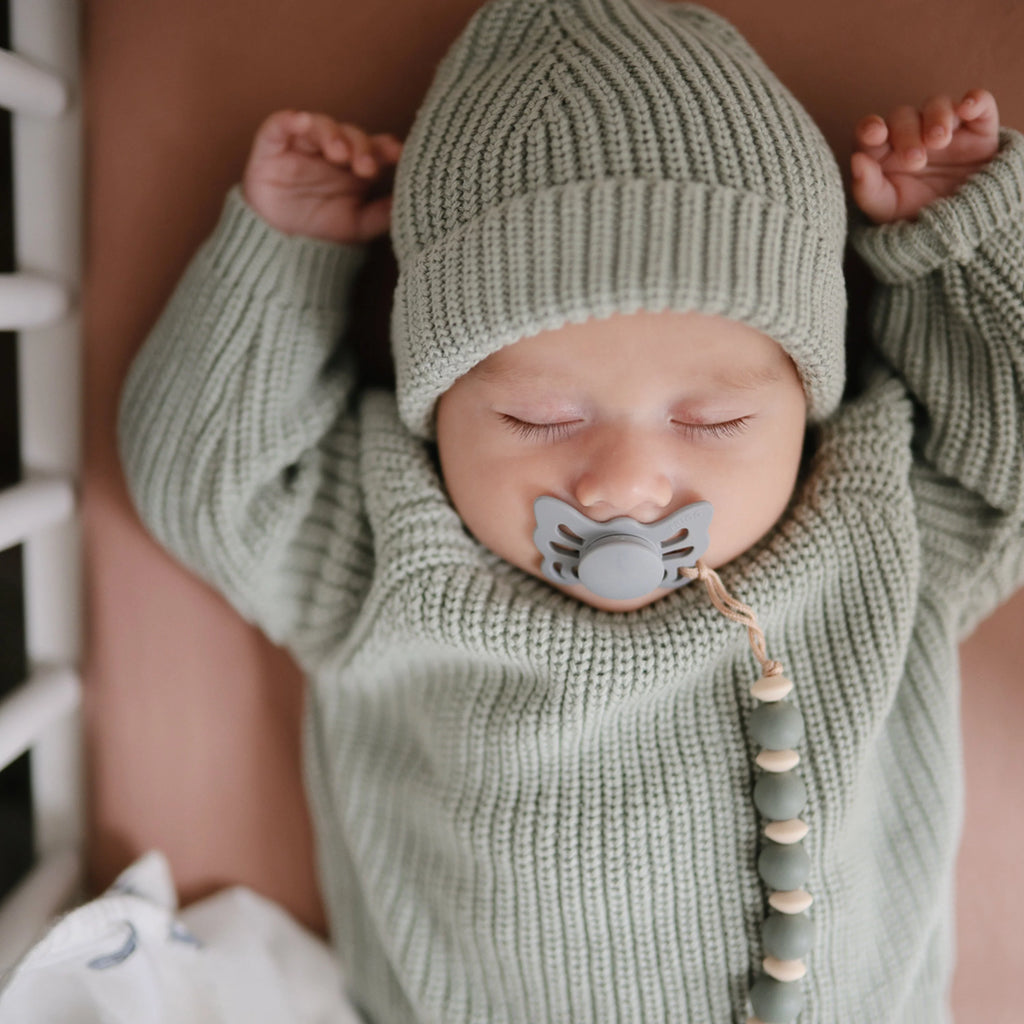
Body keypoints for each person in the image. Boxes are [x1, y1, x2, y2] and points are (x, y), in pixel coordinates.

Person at [117, 0, 1024, 1020]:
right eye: (538, 417)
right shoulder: (377, 547)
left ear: (805, 404)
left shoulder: (879, 530)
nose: (623, 484)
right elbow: (200, 482)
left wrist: (961, 249)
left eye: (715, 419)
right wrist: (286, 260)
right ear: (441, 413)